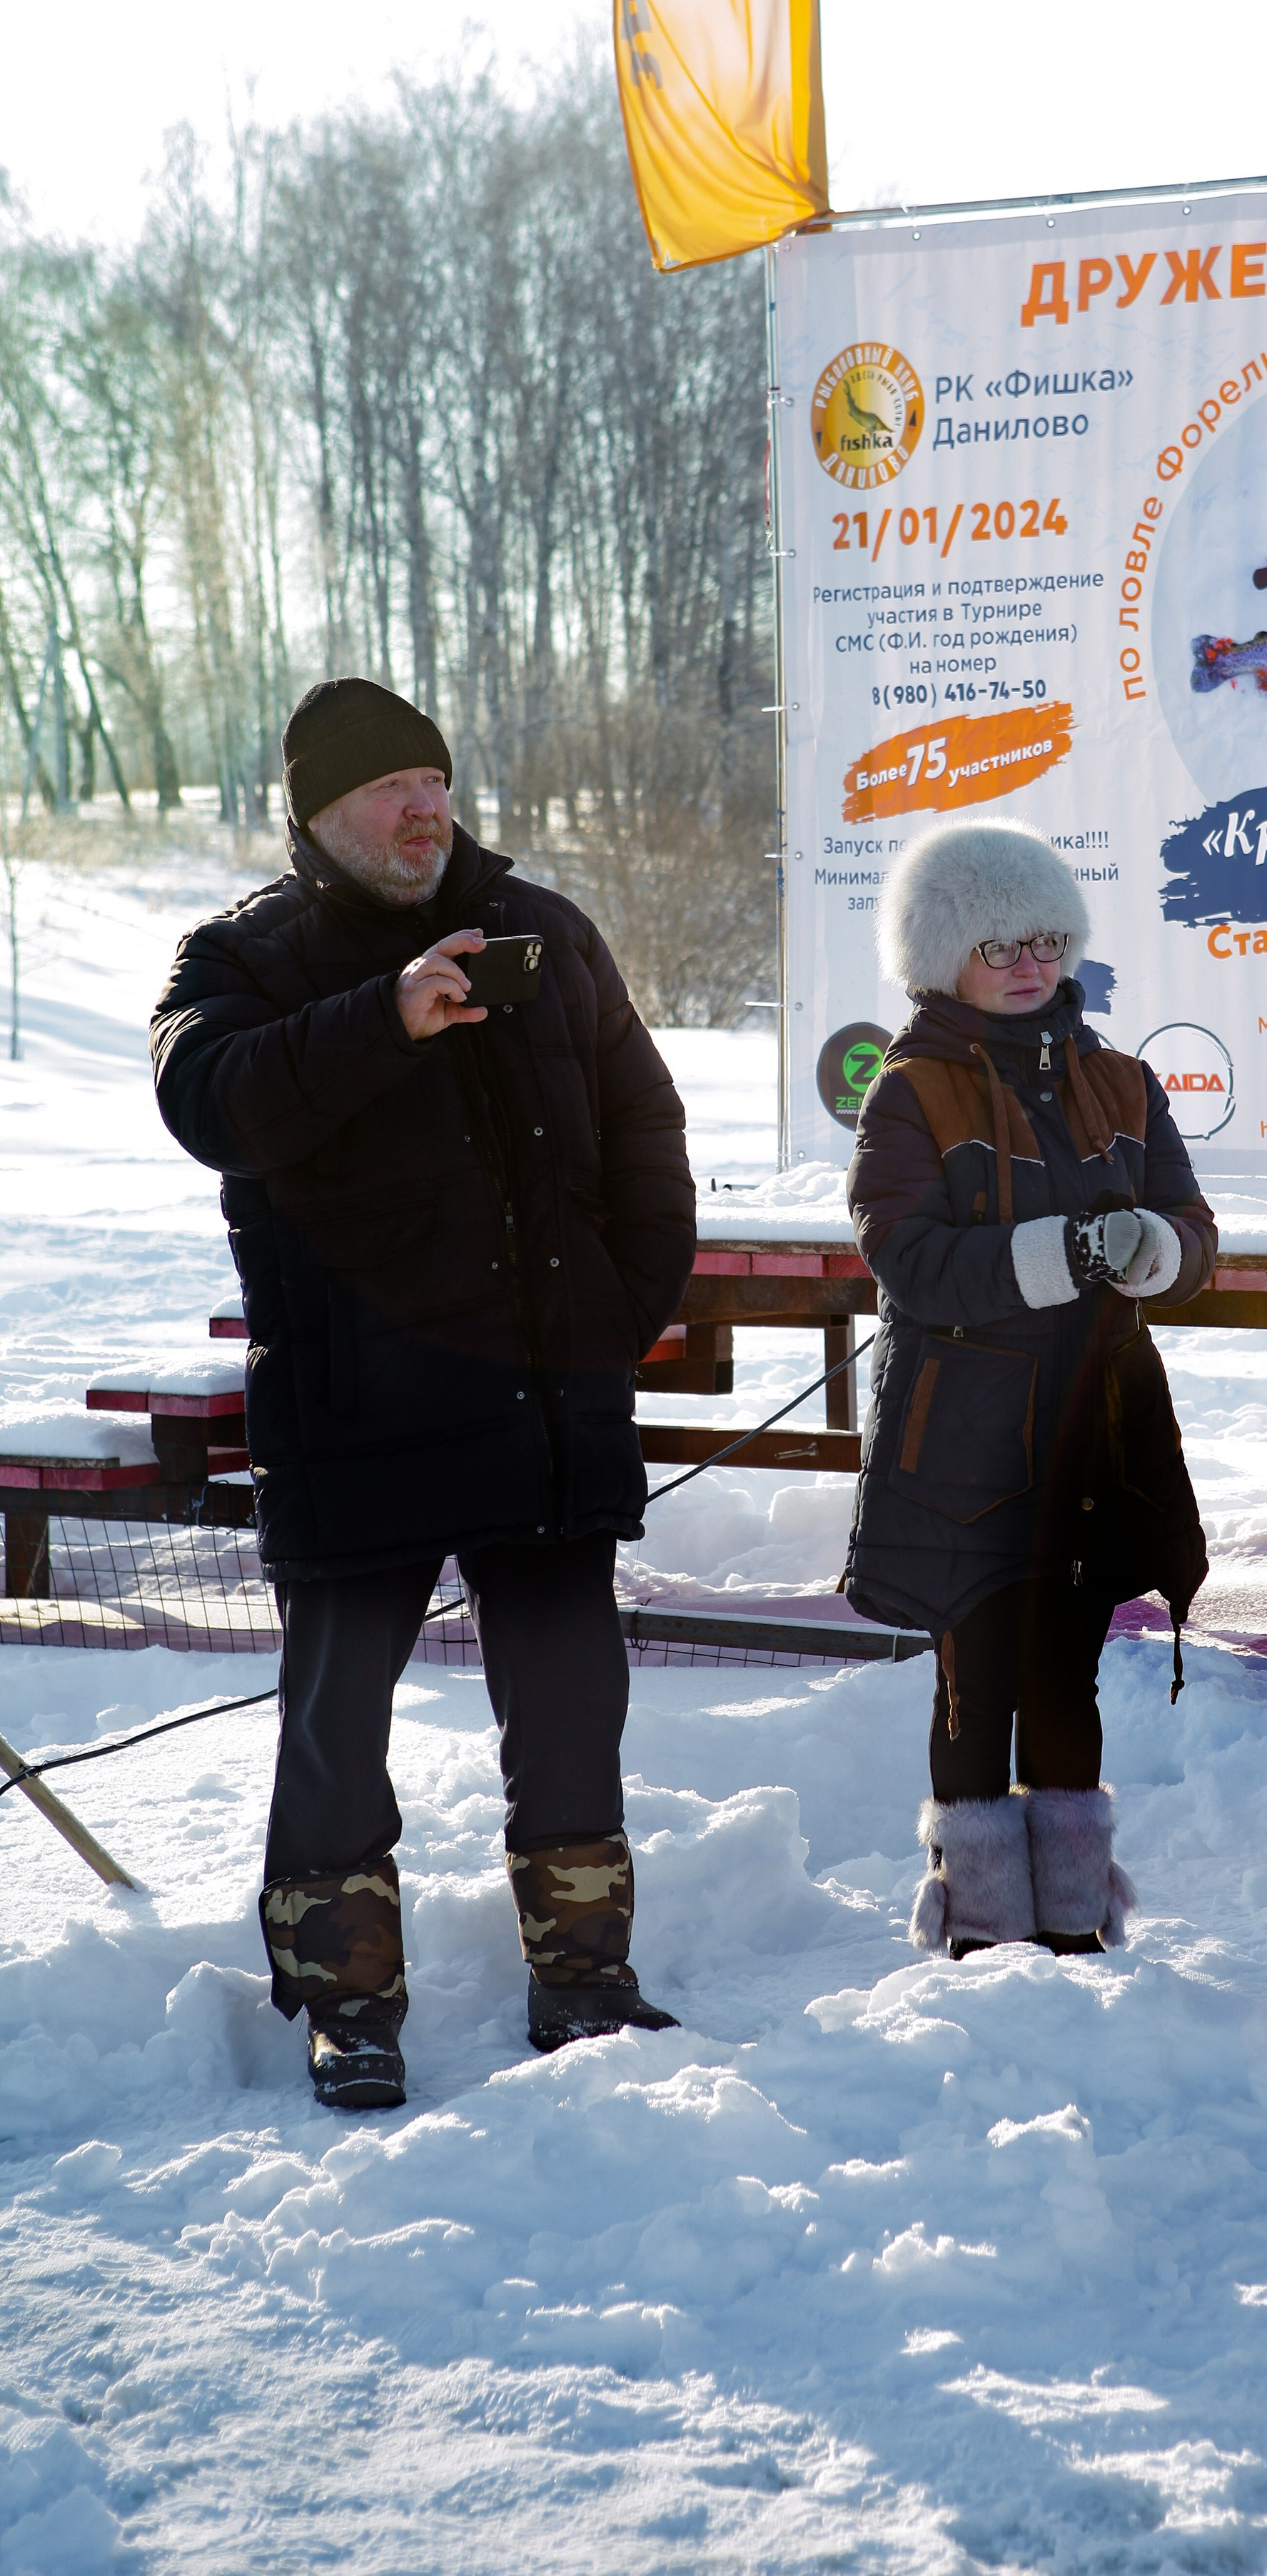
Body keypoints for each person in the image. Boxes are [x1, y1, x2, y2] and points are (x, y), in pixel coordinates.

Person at [151, 677, 696, 2109]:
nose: (424, 807)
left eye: (435, 782)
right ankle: (346, 2004)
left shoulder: (547, 933)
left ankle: (583, 1977)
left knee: (572, 1704)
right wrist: (383, 1015)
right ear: (318, 816)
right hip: (357, 1420)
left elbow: (644, 1122)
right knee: (338, 1726)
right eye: (390, 789)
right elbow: (207, 1102)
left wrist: (617, 1307)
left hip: (537, 1407)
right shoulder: (242, 960)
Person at [843, 821, 1218, 1961]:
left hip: (1094, 1435)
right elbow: (905, 1258)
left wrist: (1153, 1245)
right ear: (942, 956)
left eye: (1047, 938)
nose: (1028, 963)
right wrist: (1061, 1252)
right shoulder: (910, 1094)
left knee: (1068, 1675)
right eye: (998, 941)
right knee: (977, 1681)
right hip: (961, 1444)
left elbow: (1197, 1242)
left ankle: (1072, 1929)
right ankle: (980, 1932)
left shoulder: (1123, 1080)